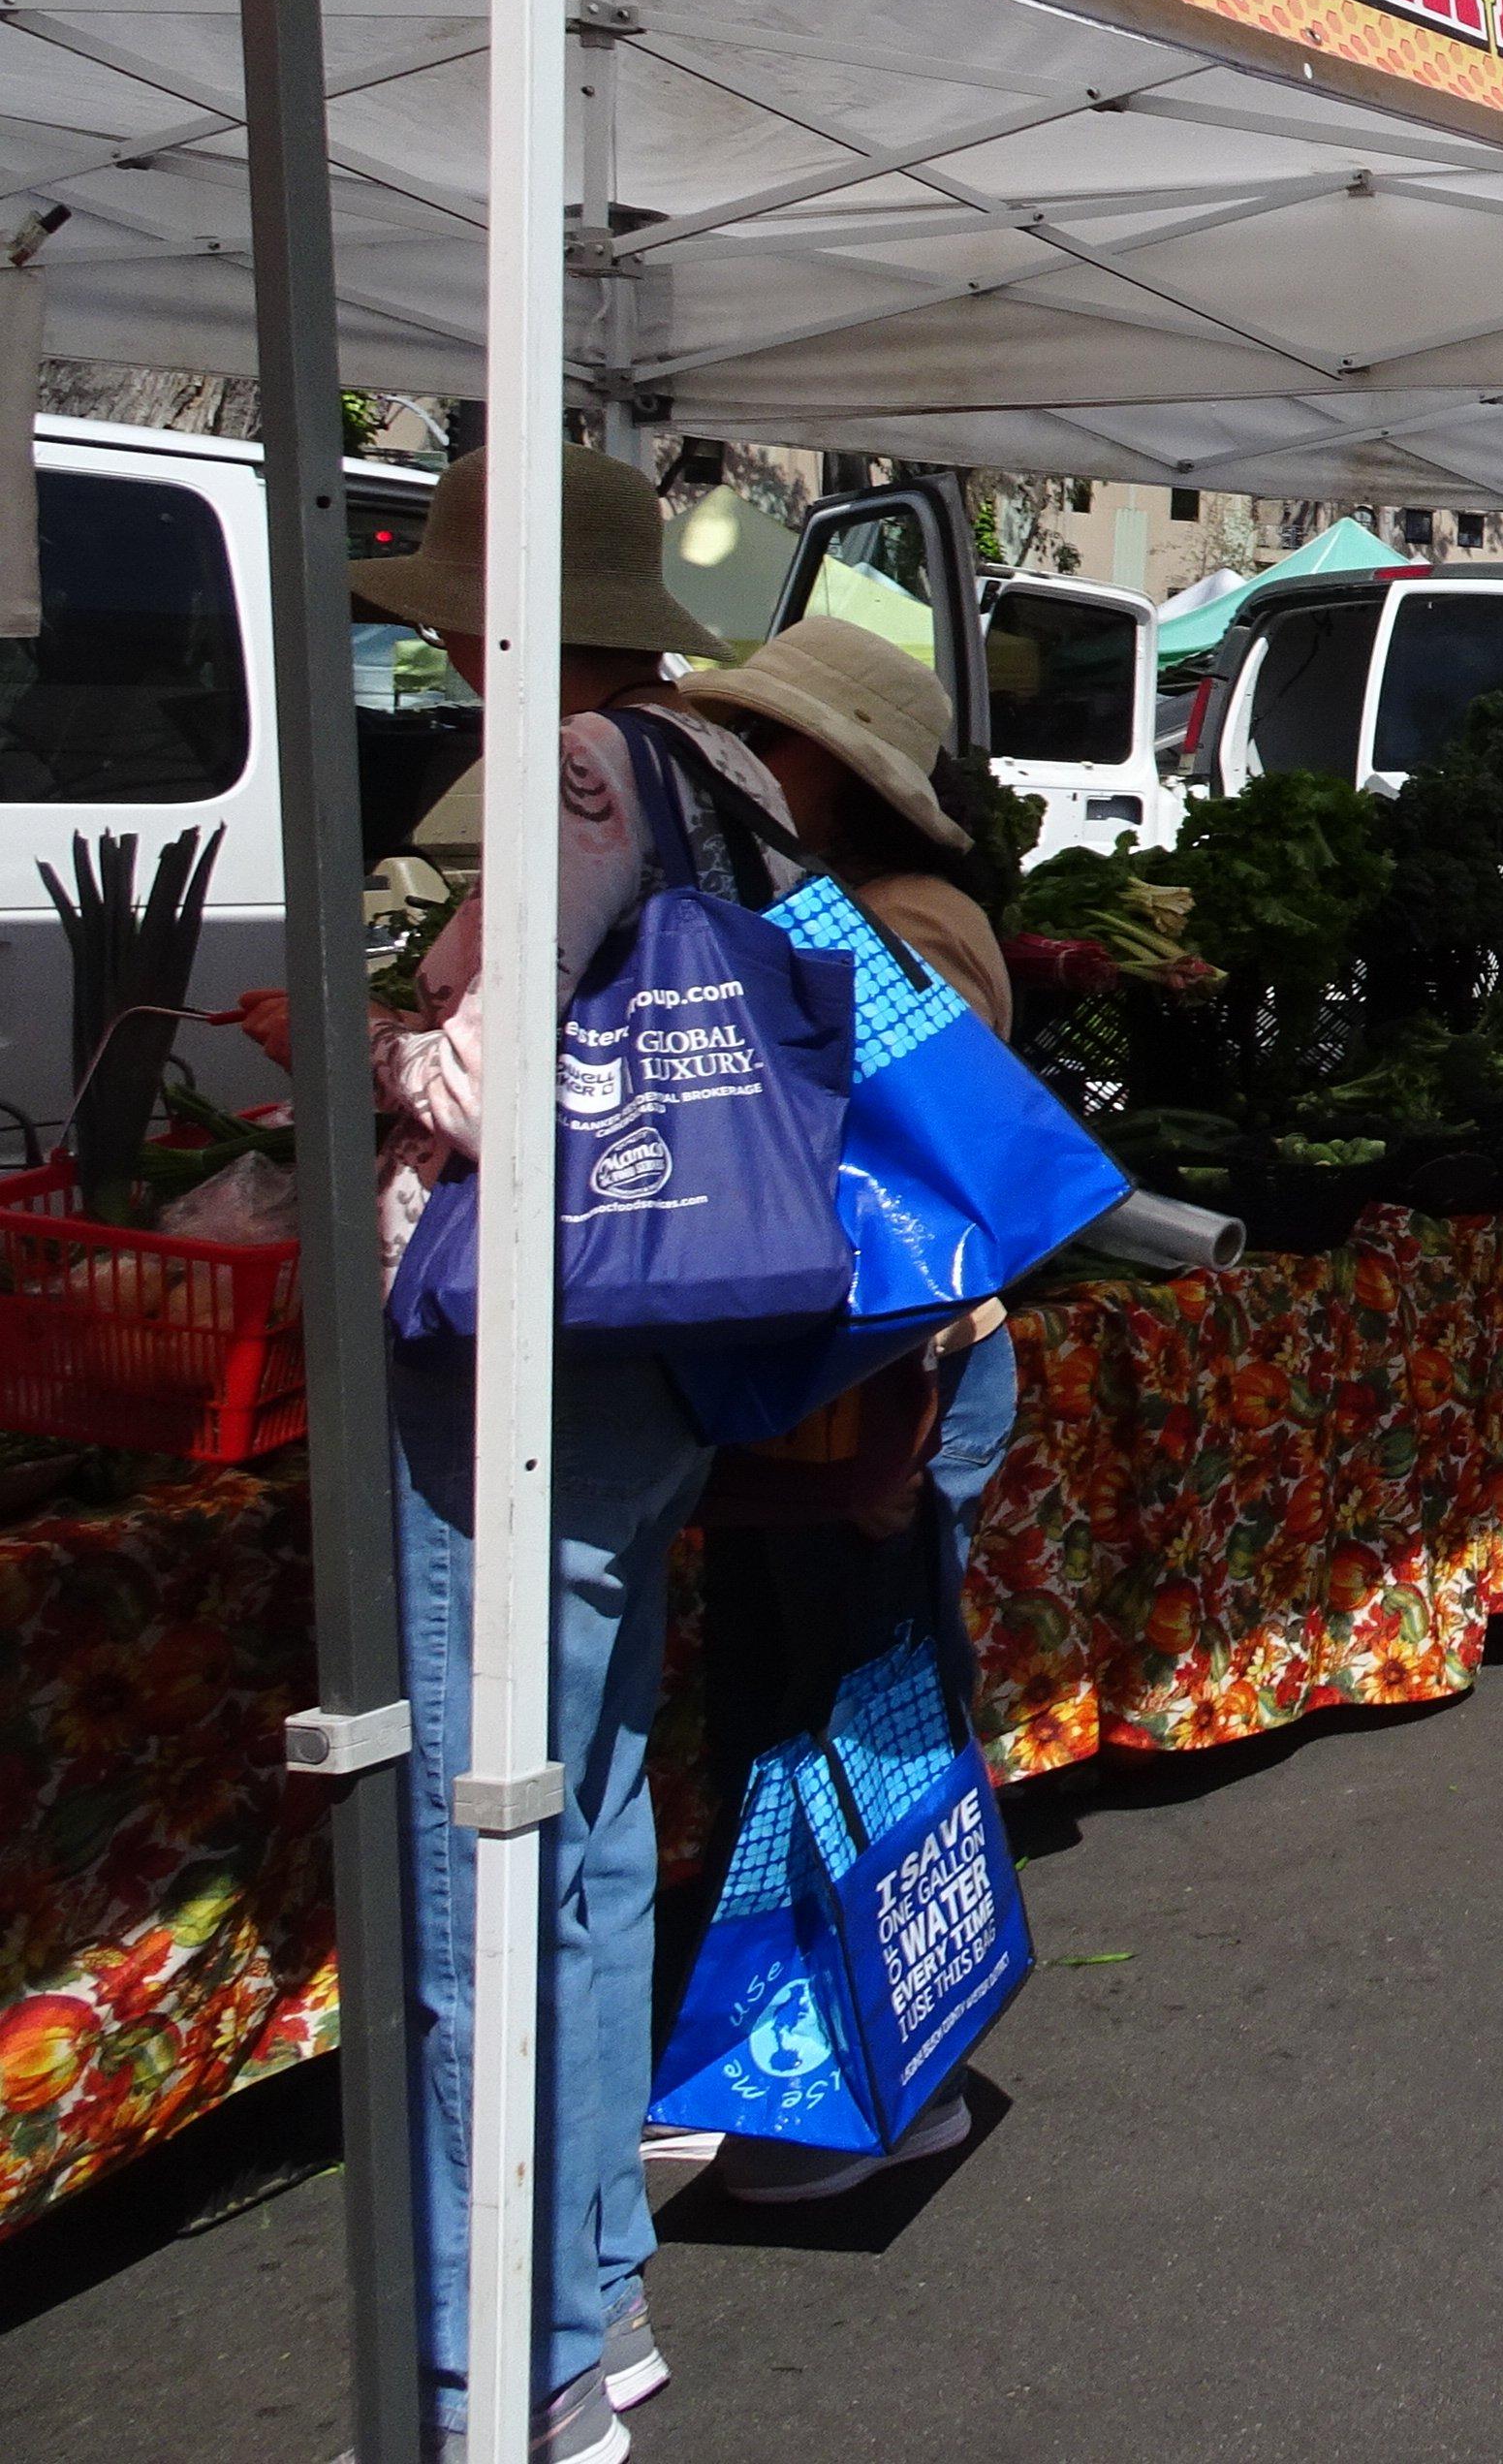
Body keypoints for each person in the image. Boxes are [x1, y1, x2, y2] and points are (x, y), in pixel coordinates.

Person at [249, 447, 768, 2457]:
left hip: (525, 1361)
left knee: (490, 1843)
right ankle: (594, 2299)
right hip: (655, 1348)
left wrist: (358, 1050)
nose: (450, 638)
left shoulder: (570, 768)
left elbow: (494, 1085)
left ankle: (511, 2365)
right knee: (599, 1812)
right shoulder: (699, 763)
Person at [671, 614, 1029, 2208]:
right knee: (803, 1705)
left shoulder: (909, 926)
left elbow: (897, 1176)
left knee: (861, 1715)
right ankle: (802, 2056)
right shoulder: (846, 911)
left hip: (893, 1381)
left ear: (836, 772)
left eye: (771, 740)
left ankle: (883, 2082)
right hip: (833, 1391)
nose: (749, 766)